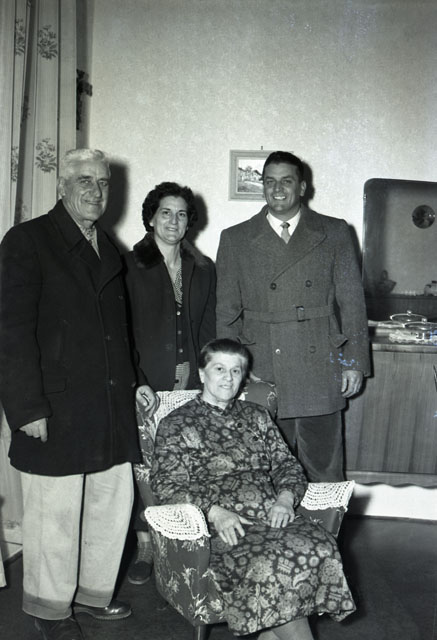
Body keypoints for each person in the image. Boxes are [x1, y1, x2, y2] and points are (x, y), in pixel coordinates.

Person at [0, 149, 153, 640]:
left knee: (109, 506)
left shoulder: (108, 245)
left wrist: (136, 379)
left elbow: (119, 330)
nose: (96, 190)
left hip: (109, 402)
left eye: (103, 182)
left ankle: (90, 596)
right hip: (55, 406)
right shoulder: (28, 240)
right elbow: (10, 332)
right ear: (62, 186)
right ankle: (50, 611)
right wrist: (27, 408)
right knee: (56, 515)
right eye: (84, 180)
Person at [151, 338, 355, 639]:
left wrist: (285, 499)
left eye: (236, 371)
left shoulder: (256, 416)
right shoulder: (176, 424)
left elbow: (287, 465)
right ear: (202, 374)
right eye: (219, 369)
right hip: (218, 526)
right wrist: (214, 513)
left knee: (321, 546)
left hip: (271, 513)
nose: (228, 378)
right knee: (268, 564)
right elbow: (165, 484)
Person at [216, 151, 370, 482]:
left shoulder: (334, 231)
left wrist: (354, 362)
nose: (277, 189)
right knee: (264, 472)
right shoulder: (235, 238)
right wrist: (229, 370)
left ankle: (326, 519)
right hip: (260, 367)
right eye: (270, 182)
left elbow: (352, 303)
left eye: (286, 181)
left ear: (302, 187)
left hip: (321, 366)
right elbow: (226, 312)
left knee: (323, 470)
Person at [124, 181, 216, 585]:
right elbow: (119, 330)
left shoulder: (202, 267)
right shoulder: (128, 265)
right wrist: (135, 380)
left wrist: (209, 376)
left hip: (190, 382)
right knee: (145, 468)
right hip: (146, 382)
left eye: (181, 214)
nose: (173, 221)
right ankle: (146, 544)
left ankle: (180, 544)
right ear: (150, 218)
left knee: (183, 465)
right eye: (165, 212)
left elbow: (208, 327)